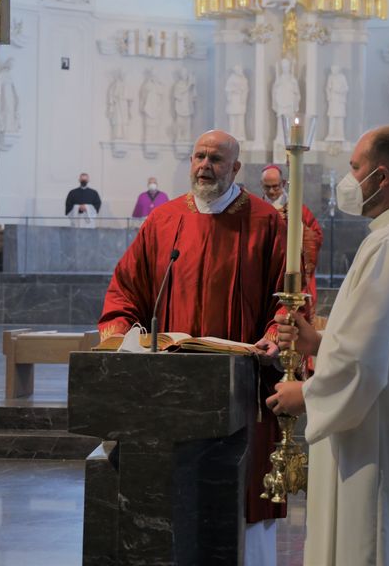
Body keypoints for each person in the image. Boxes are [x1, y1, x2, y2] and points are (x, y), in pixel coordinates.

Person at [266, 125, 389, 566]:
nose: (348, 179)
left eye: (354, 168)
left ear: (382, 176)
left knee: (375, 544)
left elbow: (363, 361)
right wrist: (320, 339)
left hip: (380, 441)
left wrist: (306, 395)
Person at [98, 130, 291, 564]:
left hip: (241, 390)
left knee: (242, 503)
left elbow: (287, 300)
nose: (205, 165)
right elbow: (125, 292)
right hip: (170, 393)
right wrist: (122, 333)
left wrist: (274, 337)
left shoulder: (265, 222)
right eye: (199, 156)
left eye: (216, 159)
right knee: (173, 504)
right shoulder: (163, 221)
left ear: (236, 168)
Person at [260, 163, 322, 309]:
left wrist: (299, 232)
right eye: (267, 187)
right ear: (261, 185)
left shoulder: (297, 208)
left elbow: (316, 235)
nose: (272, 191)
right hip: (266, 267)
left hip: (290, 267)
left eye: (275, 186)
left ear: (283, 183)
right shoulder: (257, 209)